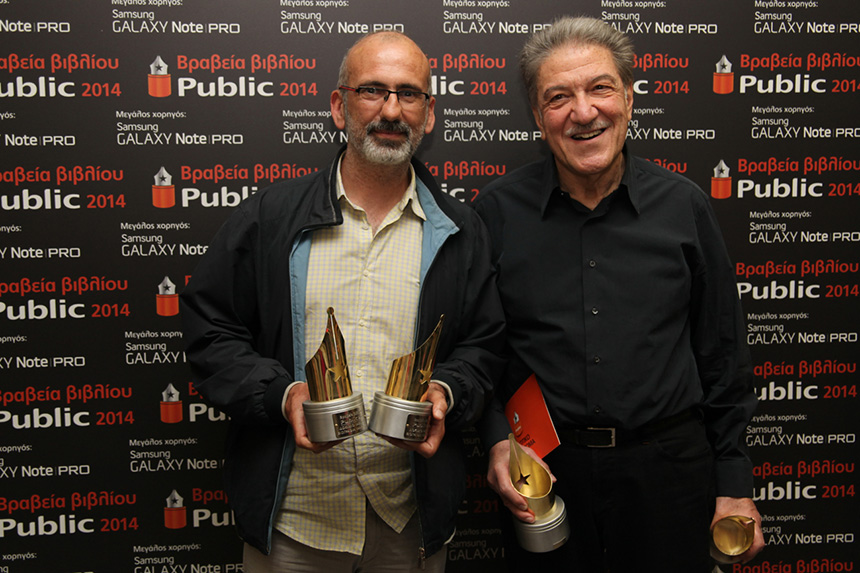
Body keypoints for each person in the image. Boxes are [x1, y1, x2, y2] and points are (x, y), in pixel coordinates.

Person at [180, 31, 504, 572]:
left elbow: (484, 345)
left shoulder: (460, 230)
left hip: (409, 523)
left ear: (429, 115)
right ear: (339, 106)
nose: (391, 111)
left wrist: (447, 391)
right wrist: (281, 395)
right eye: (372, 90)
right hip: (295, 525)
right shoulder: (270, 218)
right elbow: (211, 331)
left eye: (409, 94)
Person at [474, 16, 765, 572]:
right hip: (543, 477)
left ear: (629, 99)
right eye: (559, 97)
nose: (584, 112)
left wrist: (733, 483)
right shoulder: (496, 213)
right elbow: (481, 350)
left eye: (600, 88)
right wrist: (495, 441)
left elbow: (723, 356)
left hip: (669, 475)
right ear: (538, 116)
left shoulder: (684, 206)